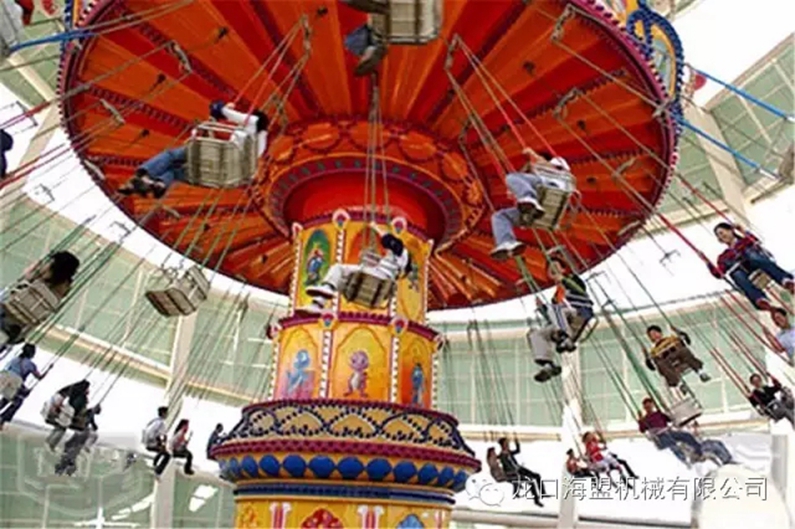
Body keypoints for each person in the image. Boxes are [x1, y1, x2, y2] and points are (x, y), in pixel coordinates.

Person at [118, 101, 270, 198]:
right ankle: (161, 184)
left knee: (171, 155)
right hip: (223, 176)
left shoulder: (253, 122)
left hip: (214, 157)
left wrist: (223, 108)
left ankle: (145, 176)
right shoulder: (260, 147)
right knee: (176, 172)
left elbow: (222, 110)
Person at [297, 223, 411, 314]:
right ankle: (317, 304)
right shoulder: (397, 261)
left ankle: (327, 288)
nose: (386, 250)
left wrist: (375, 226)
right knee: (337, 282)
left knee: (338, 268)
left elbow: (388, 239)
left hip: (379, 275)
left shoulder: (401, 252)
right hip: (379, 277)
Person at [490, 151, 571, 260]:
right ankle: (506, 242)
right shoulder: (534, 179)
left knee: (511, 178)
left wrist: (532, 154)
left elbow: (546, 165)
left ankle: (528, 198)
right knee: (499, 216)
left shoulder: (556, 161)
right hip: (540, 202)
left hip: (552, 186)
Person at [530, 258, 594, 382]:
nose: (552, 269)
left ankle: (565, 336)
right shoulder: (556, 297)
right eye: (550, 269)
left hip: (577, 313)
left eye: (555, 266)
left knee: (555, 308)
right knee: (535, 334)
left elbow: (580, 290)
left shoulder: (573, 279)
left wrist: (563, 280)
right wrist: (542, 308)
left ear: (563, 269)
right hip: (564, 318)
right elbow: (552, 316)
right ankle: (547, 363)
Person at [1, 251, 81, 347]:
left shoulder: (40, 278)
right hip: (18, 331)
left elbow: (25, 276)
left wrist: (37, 265)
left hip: (5, 314)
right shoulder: (63, 290)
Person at [708, 222, 793, 311]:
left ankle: (785, 280)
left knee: (751, 254)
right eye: (718, 235)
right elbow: (719, 274)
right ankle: (759, 299)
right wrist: (707, 263)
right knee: (735, 274)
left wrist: (742, 230)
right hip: (745, 274)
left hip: (757, 263)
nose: (721, 236)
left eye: (721, 233)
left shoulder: (745, 241)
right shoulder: (723, 257)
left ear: (730, 231)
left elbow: (755, 240)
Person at [637, 397, 704, 466]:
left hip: (669, 432)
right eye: (647, 407)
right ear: (644, 408)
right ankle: (685, 462)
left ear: (652, 406)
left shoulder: (658, 414)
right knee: (672, 444)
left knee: (687, 436)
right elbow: (642, 430)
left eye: (650, 406)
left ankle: (699, 452)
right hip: (660, 437)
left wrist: (669, 413)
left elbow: (669, 419)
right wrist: (640, 420)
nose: (648, 408)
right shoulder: (645, 419)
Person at [643, 325, 710, 390]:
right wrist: (647, 357)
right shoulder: (653, 351)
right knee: (660, 364)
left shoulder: (672, 338)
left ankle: (700, 372)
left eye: (655, 333)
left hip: (678, 355)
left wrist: (677, 331)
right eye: (652, 335)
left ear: (660, 333)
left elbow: (687, 341)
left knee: (684, 350)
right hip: (667, 362)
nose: (654, 336)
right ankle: (679, 383)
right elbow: (652, 367)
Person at [0, 343, 50, 429]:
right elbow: (39, 377)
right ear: (32, 354)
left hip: (3, 377)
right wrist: (49, 369)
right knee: (18, 401)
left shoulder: (15, 359)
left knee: (7, 398)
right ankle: (2, 419)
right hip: (15, 381)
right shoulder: (31, 365)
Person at [54, 404, 100, 476]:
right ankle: (65, 470)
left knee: (69, 454)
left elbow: (91, 422)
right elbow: (91, 422)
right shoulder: (90, 414)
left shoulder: (89, 414)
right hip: (77, 440)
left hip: (76, 440)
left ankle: (64, 470)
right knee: (70, 455)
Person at [498, 437, 544, 508]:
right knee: (531, 482)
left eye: (508, 443)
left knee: (537, 476)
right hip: (514, 473)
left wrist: (517, 443)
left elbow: (518, 451)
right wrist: (516, 472)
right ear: (502, 445)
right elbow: (508, 467)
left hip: (519, 468)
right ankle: (536, 501)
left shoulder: (508, 452)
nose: (508, 444)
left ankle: (542, 492)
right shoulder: (502, 456)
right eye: (506, 443)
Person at [45, 380, 90, 451]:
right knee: (62, 429)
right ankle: (52, 444)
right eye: (87, 388)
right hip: (70, 411)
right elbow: (79, 408)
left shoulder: (75, 393)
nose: (88, 390)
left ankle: (49, 440)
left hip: (67, 408)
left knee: (59, 426)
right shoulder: (82, 397)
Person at [142, 406, 170, 477]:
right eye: (166, 413)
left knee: (162, 451)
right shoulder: (161, 423)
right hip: (151, 443)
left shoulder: (153, 420)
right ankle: (158, 471)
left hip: (146, 443)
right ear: (163, 413)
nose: (167, 414)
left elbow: (145, 430)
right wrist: (161, 444)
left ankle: (154, 464)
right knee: (167, 455)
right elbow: (161, 435)